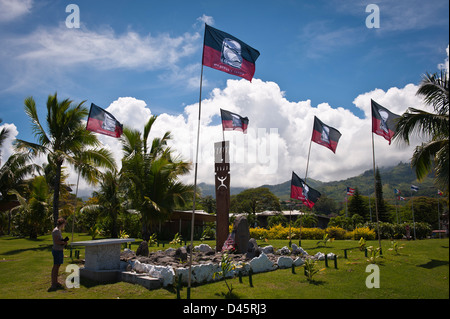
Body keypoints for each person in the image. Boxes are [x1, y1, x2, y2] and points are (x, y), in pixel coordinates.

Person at [49, 218, 68, 291]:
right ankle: (53, 283)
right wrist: (64, 243)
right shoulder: (56, 231)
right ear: (62, 224)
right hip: (57, 251)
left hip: (59, 250)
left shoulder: (58, 230)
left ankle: (55, 281)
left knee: (58, 266)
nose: (64, 226)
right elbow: (57, 241)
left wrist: (63, 241)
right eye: (64, 224)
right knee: (55, 266)